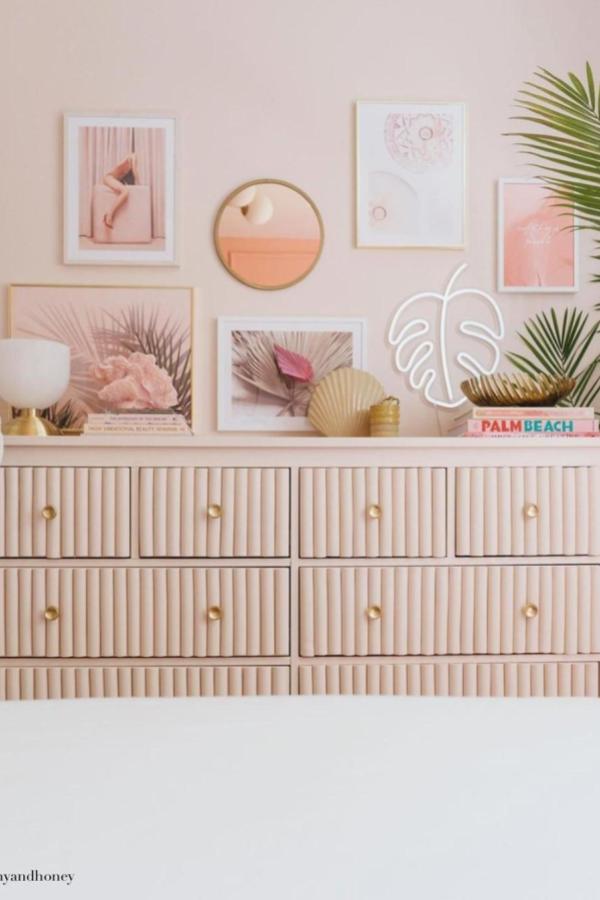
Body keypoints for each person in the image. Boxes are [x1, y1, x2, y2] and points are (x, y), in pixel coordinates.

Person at [102, 152, 139, 228]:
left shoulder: (127, 164)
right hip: (109, 177)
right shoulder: (132, 156)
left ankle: (109, 215)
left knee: (125, 191)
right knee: (125, 191)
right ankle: (109, 215)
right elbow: (135, 171)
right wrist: (139, 183)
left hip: (111, 178)